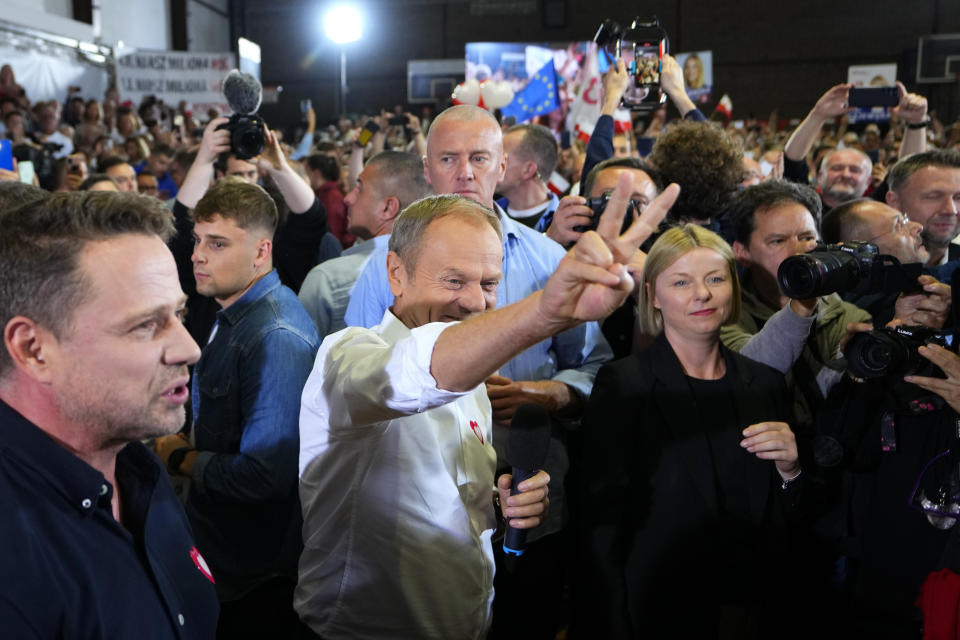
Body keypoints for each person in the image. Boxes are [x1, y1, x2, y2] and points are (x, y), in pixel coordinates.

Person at [297, 175, 679, 640]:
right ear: (395, 272)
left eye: (490, 283)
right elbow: (416, 370)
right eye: (454, 280)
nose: (476, 302)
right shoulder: (346, 356)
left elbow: (448, 500)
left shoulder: (475, 373)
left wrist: (500, 503)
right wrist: (545, 313)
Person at [341, 104, 614, 638]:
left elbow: (594, 366)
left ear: (503, 166)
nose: (464, 171)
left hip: (528, 478)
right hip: (414, 491)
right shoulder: (383, 266)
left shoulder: (547, 259)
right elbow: (357, 370)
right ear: (428, 168)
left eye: (479, 158)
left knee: (523, 616)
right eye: (449, 158)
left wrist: (550, 393)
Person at [0, 191, 219, 637]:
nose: (189, 348)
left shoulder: (139, 467)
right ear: (33, 349)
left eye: (179, 314)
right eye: (145, 325)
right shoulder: (14, 568)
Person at [577, 224, 803, 638]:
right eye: (681, 282)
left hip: (753, 607)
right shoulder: (625, 385)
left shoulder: (765, 381)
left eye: (715, 279)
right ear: (652, 296)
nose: (702, 294)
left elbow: (790, 516)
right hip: (657, 609)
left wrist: (792, 471)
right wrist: (611, 619)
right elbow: (599, 520)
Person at [154, 177, 319, 638]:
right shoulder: (231, 312)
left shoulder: (275, 337)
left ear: (261, 252)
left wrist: (179, 457)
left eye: (217, 243)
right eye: (198, 241)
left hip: (252, 574)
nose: (197, 255)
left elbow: (266, 476)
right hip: (221, 553)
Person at [298, 150, 430, 336]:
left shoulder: (327, 280)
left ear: (387, 208)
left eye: (359, 189)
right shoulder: (434, 270)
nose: (348, 198)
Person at [783, 82, 929, 210]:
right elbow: (792, 160)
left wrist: (916, 122)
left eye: (855, 170)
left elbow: (908, 171)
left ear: (868, 182)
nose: (845, 174)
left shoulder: (878, 210)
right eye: (836, 168)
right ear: (820, 176)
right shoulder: (805, 208)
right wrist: (818, 114)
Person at [885, 149, 960, 269]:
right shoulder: (862, 272)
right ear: (895, 202)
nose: (951, 210)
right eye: (934, 197)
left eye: (958, 198)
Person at [496, 123, 560, 229]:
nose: (490, 166)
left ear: (528, 170)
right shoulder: (486, 215)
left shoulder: (565, 225)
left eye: (501, 159)